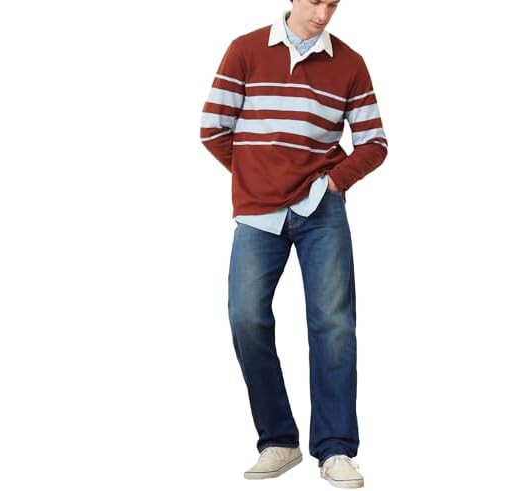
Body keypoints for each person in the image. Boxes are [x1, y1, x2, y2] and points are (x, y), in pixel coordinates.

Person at [199, 0, 388, 487]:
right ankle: (279, 441)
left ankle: (336, 447)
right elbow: (213, 128)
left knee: (334, 325)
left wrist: (334, 182)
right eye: (315, 1)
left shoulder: (350, 63)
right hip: (257, 212)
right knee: (246, 317)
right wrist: (255, 177)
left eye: (333, 4)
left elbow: (374, 142)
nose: (323, 14)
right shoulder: (245, 51)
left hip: (321, 209)